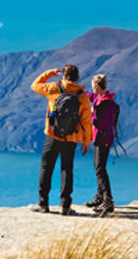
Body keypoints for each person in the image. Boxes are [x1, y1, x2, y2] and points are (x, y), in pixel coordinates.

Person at [31, 64, 93, 215]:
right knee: (67, 169)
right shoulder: (82, 96)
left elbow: (35, 85)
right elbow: (86, 121)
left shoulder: (53, 88)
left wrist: (50, 73)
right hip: (72, 137)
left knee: (47, 167)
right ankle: (65, 206)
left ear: (64, 76)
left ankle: (43, 203)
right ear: (77, 78)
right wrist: (86, 141)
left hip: (53, 134)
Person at [86, 74, 119, 215]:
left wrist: (91, 113)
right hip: (100, 138)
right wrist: (76, 90)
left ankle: (108, 200)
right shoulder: (100, 98)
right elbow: (90, 96)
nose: (92, 89)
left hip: (102, 138)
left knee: (100, 169)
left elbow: (99, 123)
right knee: (98, 167)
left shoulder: (105, 103)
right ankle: (100, 196)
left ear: (97, 86)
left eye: (93, 86)